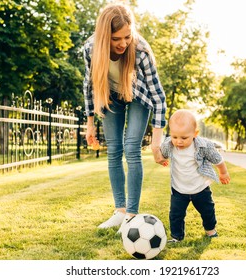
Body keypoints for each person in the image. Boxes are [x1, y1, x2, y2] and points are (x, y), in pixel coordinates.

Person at [83, 2, 167, 231]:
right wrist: (89, 123)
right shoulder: (90, 49)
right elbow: (89, 85)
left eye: (127, 37)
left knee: (131, 148)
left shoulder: (141, 51)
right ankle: (119, 211)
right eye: (116, 39)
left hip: (138, 95)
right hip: (110, 94)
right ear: (104, 37)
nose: (123, 43)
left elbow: (158, 97)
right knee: (114, 150)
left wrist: (157, 143)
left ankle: (131, 214)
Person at [160, 109, 230, 242]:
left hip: (200, 188)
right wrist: (162, 159)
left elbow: (217, 159)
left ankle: (210, 230)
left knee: (207, 210)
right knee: (175, 215)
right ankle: (177, 236)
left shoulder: (203, 146)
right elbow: (161, 154)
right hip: (178, 189)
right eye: (175, 137)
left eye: (184, 138)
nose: (179, 141)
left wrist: (223, 172)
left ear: (195, 134)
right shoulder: (169, 144)